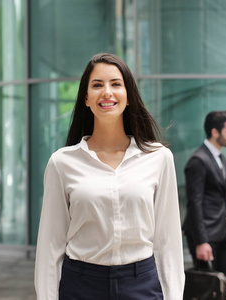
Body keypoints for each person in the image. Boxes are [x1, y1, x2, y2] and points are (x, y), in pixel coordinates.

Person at [34, 53, 184, 300]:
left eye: (116, 84)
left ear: (128, 97)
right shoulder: (62, 163)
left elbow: (167, 242)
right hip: (80, 285)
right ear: (86, 98)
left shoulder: (159, 158)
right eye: (97, 85)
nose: (107, 92)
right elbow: (51, 247)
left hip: (141, 284)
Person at [182, 111, 226, 292]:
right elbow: (194, 203)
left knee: (224, 285)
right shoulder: (198, 161)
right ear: (215, 132)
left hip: (223, 231)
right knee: (207, 289)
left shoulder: (220, 158)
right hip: (206, 234)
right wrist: (201, 241)